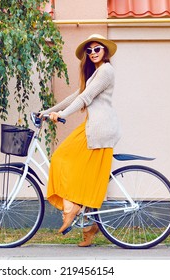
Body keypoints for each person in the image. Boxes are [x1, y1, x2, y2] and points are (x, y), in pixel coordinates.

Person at [40, 34, 121, 247]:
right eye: (90, 50)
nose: (93, 53)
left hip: (100, 129)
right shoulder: (95, 74)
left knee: (59, 158)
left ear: (105, 51)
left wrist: (63, 114)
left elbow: (85, 98)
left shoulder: (106, 71)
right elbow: (75, 95)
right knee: (80, 175)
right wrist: (47, 111)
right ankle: (88, 227)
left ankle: (71, 207)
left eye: (97, 49)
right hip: (93, 126)